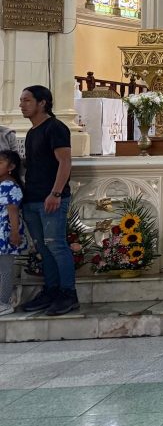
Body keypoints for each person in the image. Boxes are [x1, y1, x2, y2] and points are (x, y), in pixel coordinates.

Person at [18, 86, 77, 316]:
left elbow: (65, 162)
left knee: (56, 245)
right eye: (21, 101)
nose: (22, 105)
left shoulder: (55, 127)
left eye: (27, 100)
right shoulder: (32, 132)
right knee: (43, 247)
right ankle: (51, 290)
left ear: (42, 102)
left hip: (50, 197)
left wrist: (56, 193)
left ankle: (68, 294)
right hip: (32, 197)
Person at [0, 150, 26, 316]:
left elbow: (13, 210)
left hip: (5, 232)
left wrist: (14, 232)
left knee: (5, 268)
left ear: (11, 167)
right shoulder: (3, 184)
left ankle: (5, 302)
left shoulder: (10, 185)